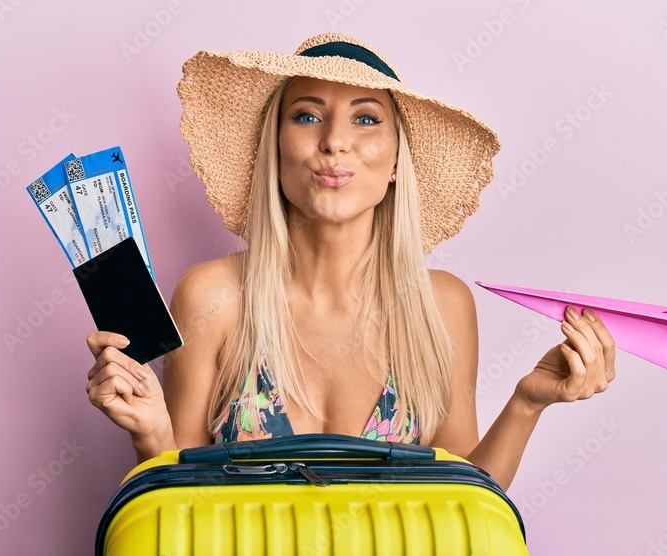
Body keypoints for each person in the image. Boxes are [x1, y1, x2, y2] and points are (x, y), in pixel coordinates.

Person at [85, 33, 616, 491]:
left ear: (395, 161)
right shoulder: (213, 297)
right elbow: (175, 509)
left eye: (366, 118)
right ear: (275, 149)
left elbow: (465, 500)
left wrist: (527, 403)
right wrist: (150, 435)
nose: (335, 142)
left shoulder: (442, 305)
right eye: (307, 115)